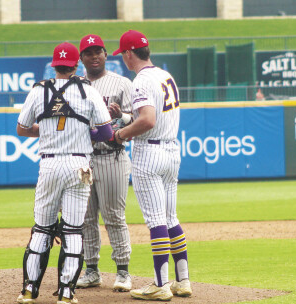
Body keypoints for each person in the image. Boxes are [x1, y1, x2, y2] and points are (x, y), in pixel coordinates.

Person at [15, 42, 112, 304]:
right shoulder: (88, 91)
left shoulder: (38, 90)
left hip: (48, 164)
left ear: (54, 64)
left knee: (41, 229)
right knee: (72, 230)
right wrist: (85, 132)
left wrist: (46, 130)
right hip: (78, 166)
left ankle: (28, 290)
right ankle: (67, 293)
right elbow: (106, 133)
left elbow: (22, 129)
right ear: (76, 64)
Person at [112, 30, 192, 301]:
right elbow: (147, 115)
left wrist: (121, 133)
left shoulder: (140, 81)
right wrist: (123, 117)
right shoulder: (165, 76)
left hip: (150, 153)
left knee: (156, 221)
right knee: (171, 218)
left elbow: (147, 121)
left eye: (122, 54)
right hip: (171, 151)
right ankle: (183, 281)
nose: (123, 58)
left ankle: (160, 284)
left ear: (128, 53)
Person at [75, 34, 134, 292]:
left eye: (98, 51)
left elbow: (139, 118)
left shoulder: (121, 83)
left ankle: (122, 272)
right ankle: (91, 270)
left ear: (106, 54)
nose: (94, 56)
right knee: (86, 218)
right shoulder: (74, 86)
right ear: (81, 58)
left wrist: (122, 116)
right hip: (84, 160)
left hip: (112, 156)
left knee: (114, 217)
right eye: (89, 52)